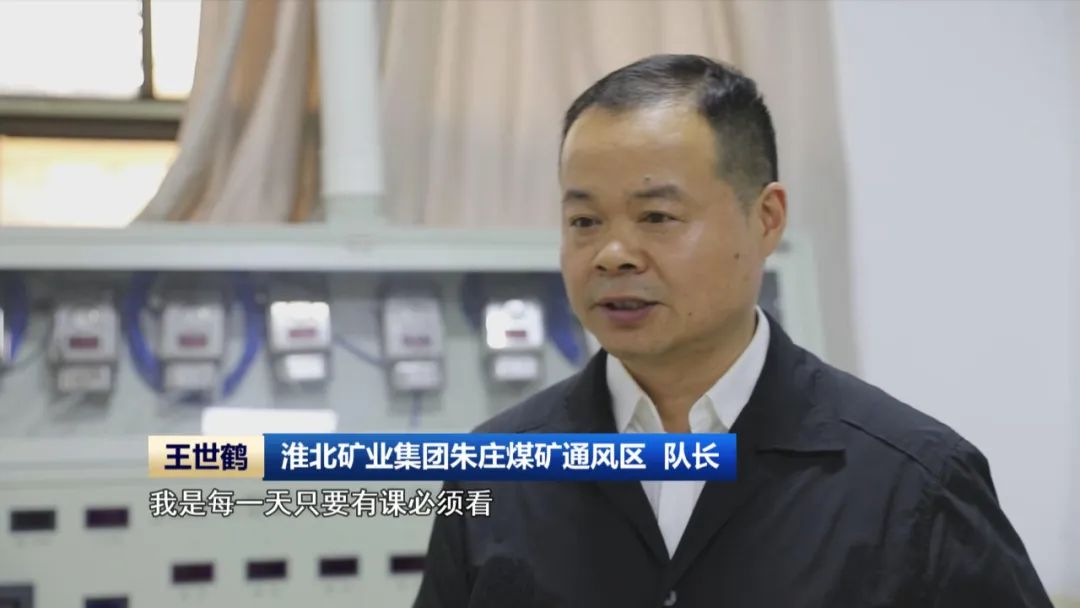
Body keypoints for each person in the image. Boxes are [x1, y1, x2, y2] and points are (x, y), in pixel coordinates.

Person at [414, 54, 1052, 607]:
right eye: (584, 222)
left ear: (766, 218)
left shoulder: (914, 482)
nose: (612, 255)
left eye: (656, 216)